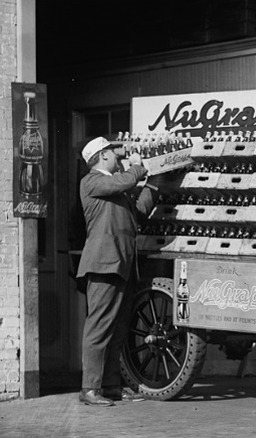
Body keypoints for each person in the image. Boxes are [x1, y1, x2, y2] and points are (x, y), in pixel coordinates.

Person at [76, 136, 156, 406]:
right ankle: (90, 388)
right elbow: (123, 181)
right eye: (113, 151)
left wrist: (155, 186)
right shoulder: (92, 181)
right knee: (99, 329)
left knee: (118, 329)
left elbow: (140, 212)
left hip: (121, 265)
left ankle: (110, 386)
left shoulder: (116, 188)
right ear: (103, 156)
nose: (118, 156)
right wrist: (137, 167)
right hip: (103, 265)